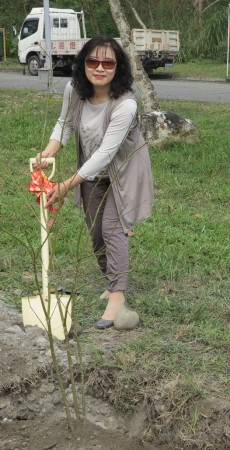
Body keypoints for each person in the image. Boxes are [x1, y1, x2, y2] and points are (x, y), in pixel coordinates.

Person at [34, 36, 154, 330]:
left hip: (122, 172)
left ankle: (117, 296)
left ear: (117, 67)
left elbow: (105, 154)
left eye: (108, 62)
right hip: (90, 174)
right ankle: (110, 281)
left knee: (113, 229)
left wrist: (65, 185)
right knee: (96, 232)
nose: (99, 68)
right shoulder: (74, 90)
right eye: (93, 61)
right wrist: (51, 149)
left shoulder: (125, 105)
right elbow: (65, 123)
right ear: (83, 63)